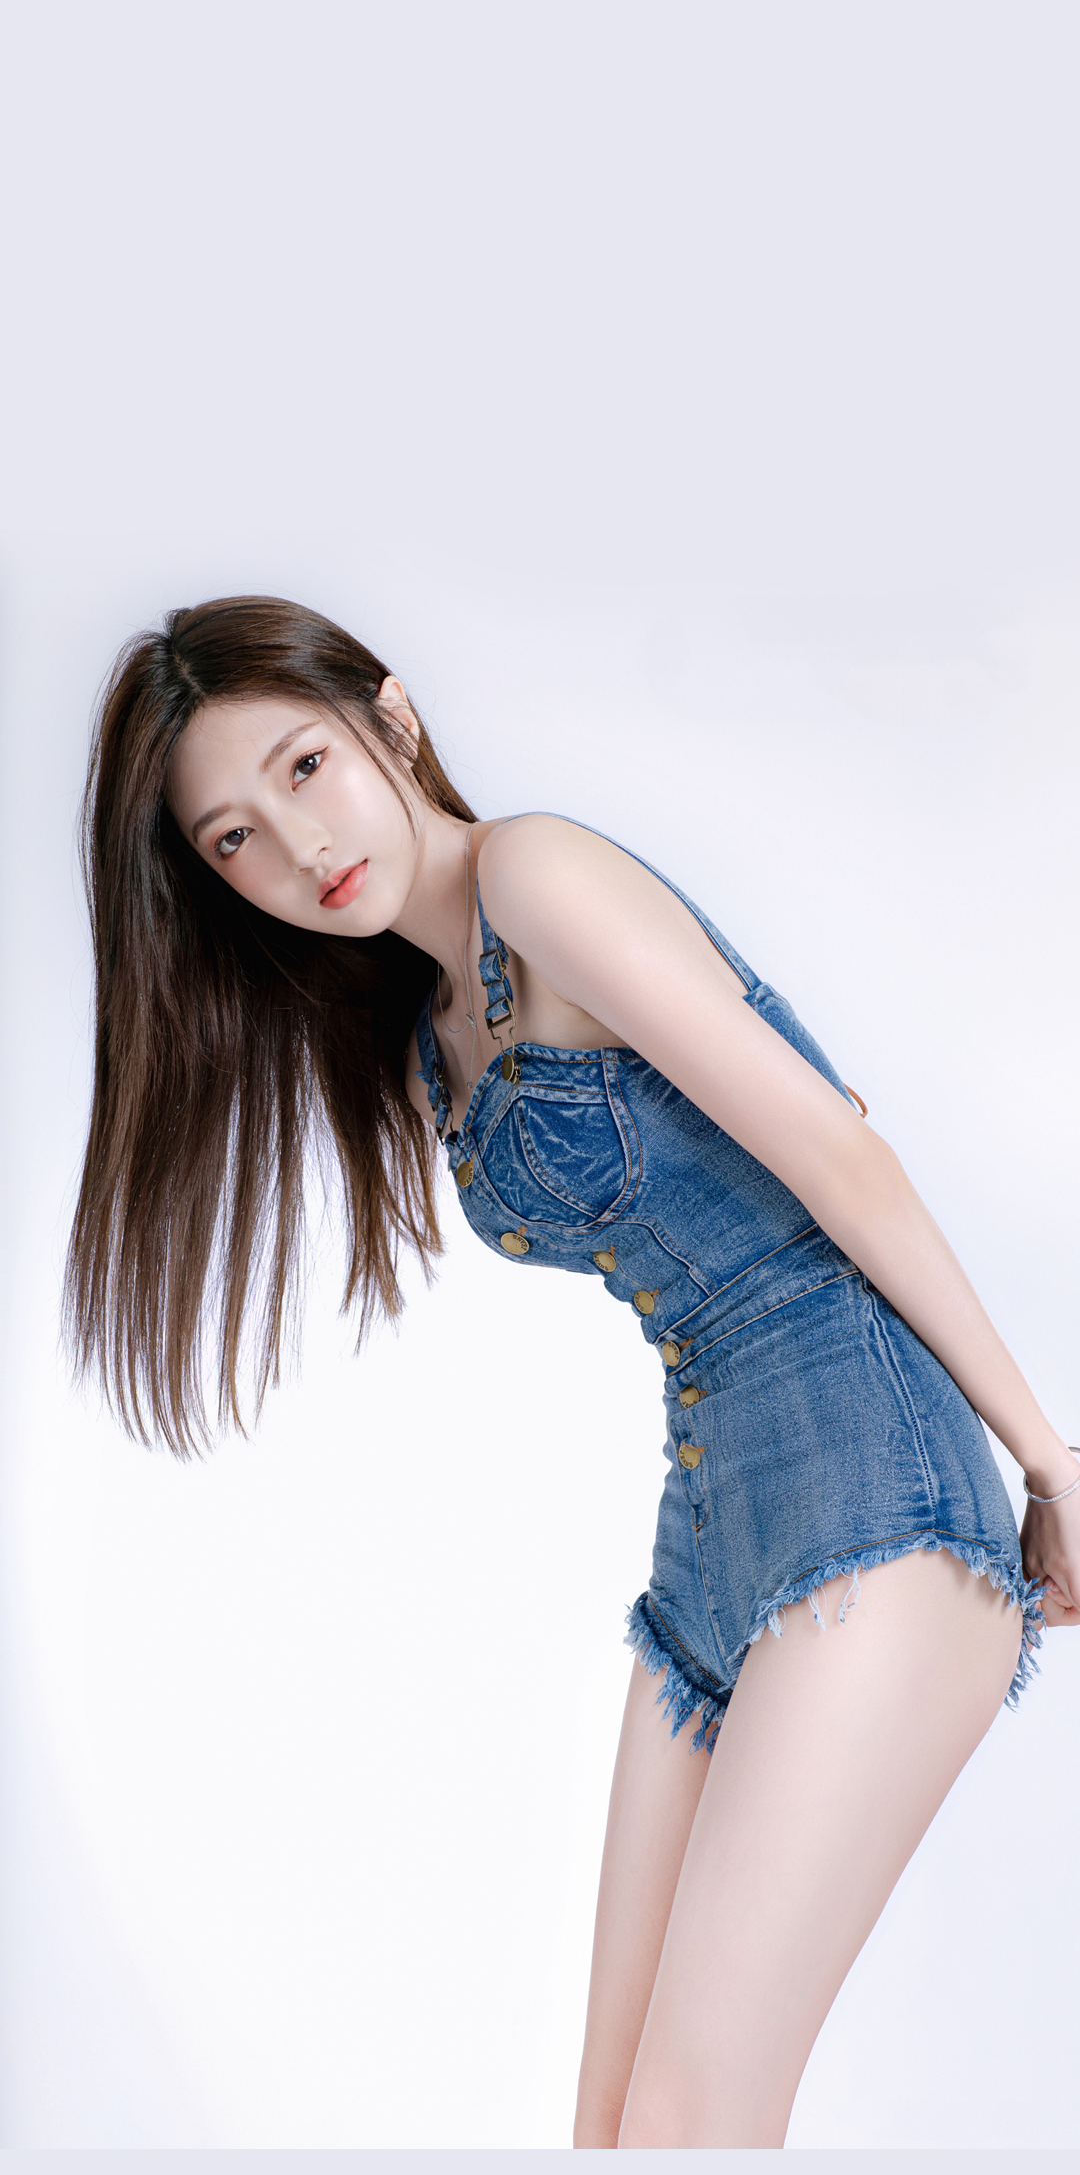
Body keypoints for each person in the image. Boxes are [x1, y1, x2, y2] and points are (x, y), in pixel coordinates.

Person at [66, 592, 1079, 2149]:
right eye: (234, 840)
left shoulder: (532, 871)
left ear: (392, 717)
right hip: (712, 1529)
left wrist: (1053, 1461)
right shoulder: (427, 1038)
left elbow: (840, 1154)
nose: (299, 845)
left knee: (690, 2112)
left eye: (305, 766)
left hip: (871, 1476)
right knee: (614, 2128)